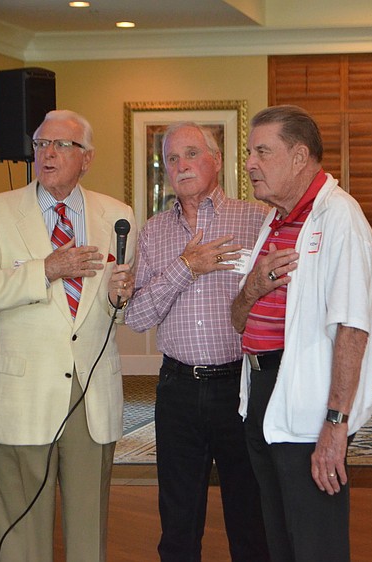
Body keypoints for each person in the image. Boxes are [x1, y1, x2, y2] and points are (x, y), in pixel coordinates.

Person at [0, 109, 136, 562]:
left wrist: (120, 298)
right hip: (23, 392)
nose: (47, 153)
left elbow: (114, 309)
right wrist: (47, 269)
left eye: (61, 145)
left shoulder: (119, 216)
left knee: (87, 525)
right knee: (21, 530)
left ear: (87, 159)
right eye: (40, 144)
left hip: (89, 392)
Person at [231, 105, 372, 562]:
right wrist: (254, 285)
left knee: (315, 542)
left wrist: (335, 425)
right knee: (280, 539)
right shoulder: (272, 221)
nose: (250, 163)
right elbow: (238, 319)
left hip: (311, 402)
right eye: (249, 152)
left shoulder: (339, 218)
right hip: (261, 389)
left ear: (299, 157)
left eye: (262, 152)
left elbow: (354, 328)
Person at [125, 122, 270, 562]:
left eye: (191, 154)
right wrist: (187, 266)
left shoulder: (256, 219)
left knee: (250, 518)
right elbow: (136, 316)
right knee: (179, 522)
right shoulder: (152, 232)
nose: (181, 165)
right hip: (178, 390)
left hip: (240, 387)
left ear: (217, 160)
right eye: (171, 158)